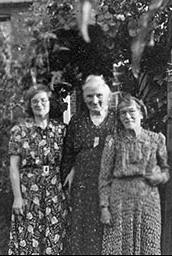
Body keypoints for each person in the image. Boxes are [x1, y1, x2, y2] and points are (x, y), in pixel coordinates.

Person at [99, 93, 170, 255]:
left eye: (131, 111)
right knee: (118, 245)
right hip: (119, 200)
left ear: (141, 113)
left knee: (148, 242)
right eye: (122, 113)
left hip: (148, 199)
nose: (127, 116)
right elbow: (104, 177)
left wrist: (160, 177)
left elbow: (165, 170)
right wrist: (104, 207)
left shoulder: (157, 139)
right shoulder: (113, 141)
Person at [7, 84, 68, 255]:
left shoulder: (61, 130)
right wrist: (17, 197)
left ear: (49, 102)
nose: (39, 104)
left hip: (55, 192)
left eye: (43, 100)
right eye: (35, 101)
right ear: (30, 105)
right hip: (28, 192)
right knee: (29, 238)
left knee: (54, 238)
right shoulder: (20, 131)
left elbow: (70, 160)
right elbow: (13, 166)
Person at [61, 75, 116, 255]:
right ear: (84, 99)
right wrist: (68, 173)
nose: (94, 100)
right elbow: (68, 152)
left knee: (107, 225)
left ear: (107, 96)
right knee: (82, 227)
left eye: (99, 95)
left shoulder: (116, 120)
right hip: (83, 183)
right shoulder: (77, 121)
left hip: (109, 183)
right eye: (89, 96)